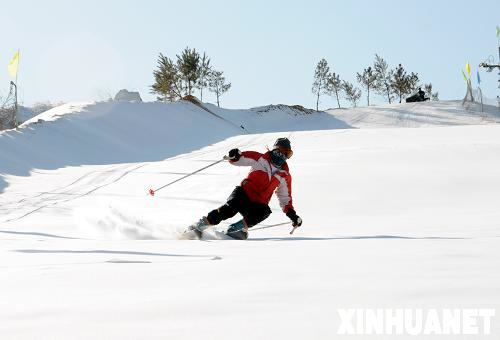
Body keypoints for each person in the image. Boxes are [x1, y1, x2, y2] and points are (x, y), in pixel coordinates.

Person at [187, 137, 302, 240]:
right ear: (275, 149)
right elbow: (241, 158)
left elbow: (284, 197)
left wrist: (292, 215)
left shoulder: (284, 175)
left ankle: (235, 229)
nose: (283, 155)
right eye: (281, 151)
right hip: (244, 193)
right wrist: (235, 155)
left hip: (258, 203)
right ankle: (199, 226)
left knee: (264, 212)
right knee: (230, 209)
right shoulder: (260, 159)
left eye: (287, 153)